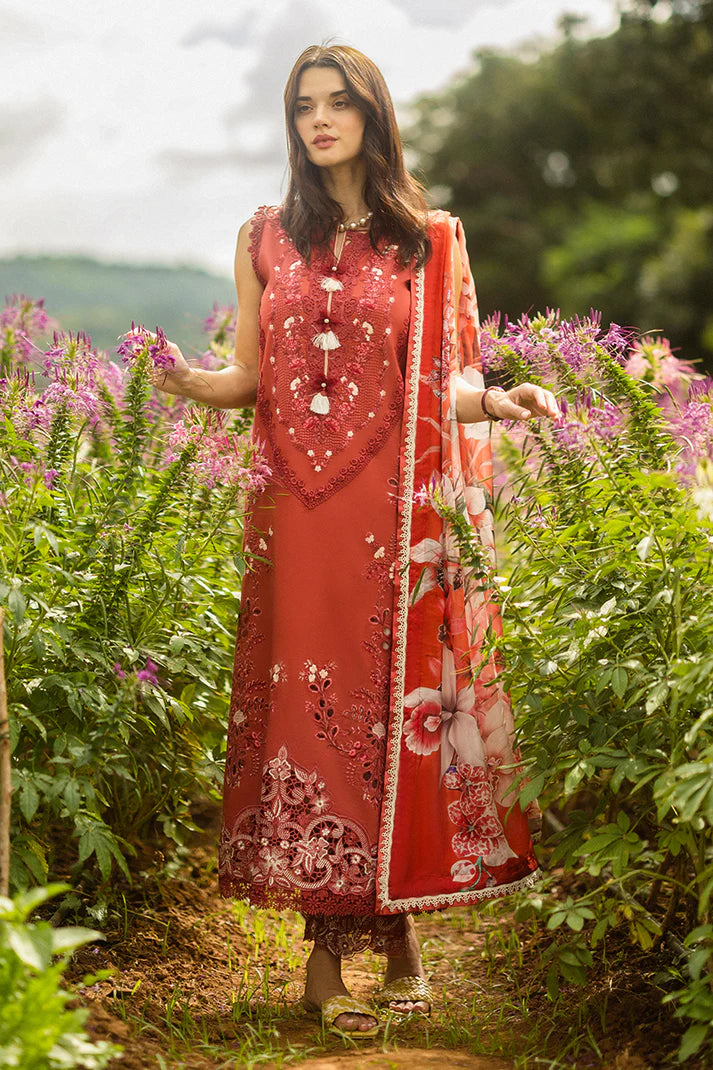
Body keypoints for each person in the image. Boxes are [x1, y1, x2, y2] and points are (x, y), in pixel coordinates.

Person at [152, 44, 560, 1039]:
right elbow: (246, 373)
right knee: (310, 710)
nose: (319, 121)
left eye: (338, 104)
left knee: (396, 706)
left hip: (398, 515)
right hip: (296, 515)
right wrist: (183, 379)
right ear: (290, 123)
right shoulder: (263, 237)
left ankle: (403, 932)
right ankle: (327, 948)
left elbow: (442, 378)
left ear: (374, 117)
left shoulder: (429, 240)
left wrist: (498, 399)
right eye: (303, 107)